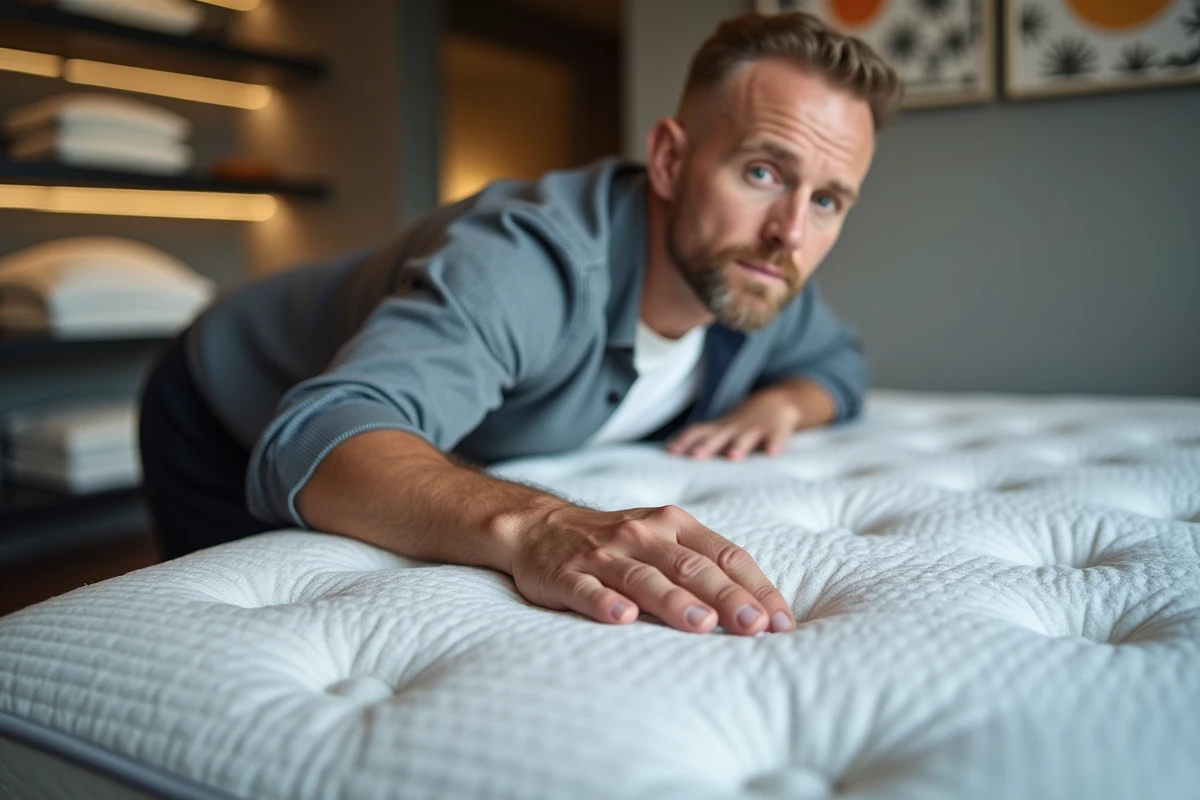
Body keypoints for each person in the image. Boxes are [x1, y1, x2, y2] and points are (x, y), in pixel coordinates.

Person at [138, 11, 902, 638]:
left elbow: (839, 364)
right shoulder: (526, 262)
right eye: (762, 173)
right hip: (220, 403)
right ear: (670, 160)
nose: (792, 233)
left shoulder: (759, 278)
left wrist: (783, 403)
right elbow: (315, 431)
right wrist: (540, 525)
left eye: (829, 199)